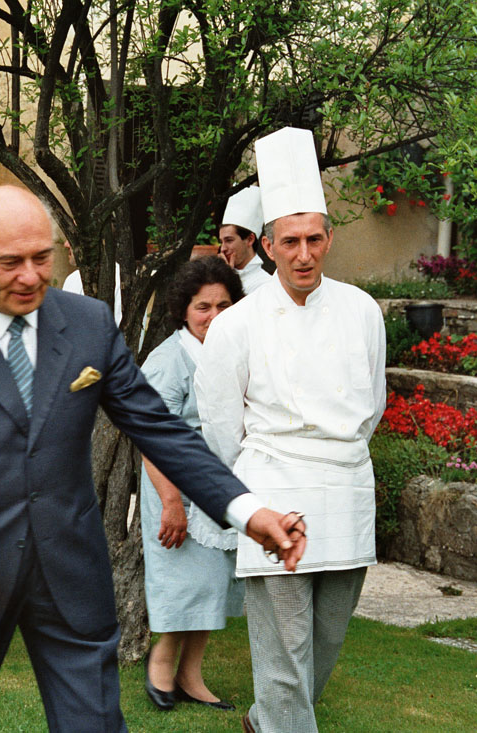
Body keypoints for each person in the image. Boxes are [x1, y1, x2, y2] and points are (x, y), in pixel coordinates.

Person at [0, 184, 307, 732]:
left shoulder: (87, 323)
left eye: (42, 258)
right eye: (11, 262)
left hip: (69, 570)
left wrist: (248, 511)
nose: (31, 276)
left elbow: (159, 429)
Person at [196, 127, 386, 733]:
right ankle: (277, 720)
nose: (303, 254)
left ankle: (264, 721)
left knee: (322, 649)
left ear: (329, 239)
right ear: (269, 245)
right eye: (290, 242)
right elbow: (221, 426)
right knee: (284, 660)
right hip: (273, 492)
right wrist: (250, 499)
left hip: (347, 491)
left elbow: (373, 408)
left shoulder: (363, 310)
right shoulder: (236, 325)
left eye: (313, 240)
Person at [139, 257, 245, 712]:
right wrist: (170, 502)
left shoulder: (232, 353)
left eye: (224, 305)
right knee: (183, 584)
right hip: (175, 489)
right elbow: (150, 438)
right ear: (184, 309)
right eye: (204, 307)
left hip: (218, 488)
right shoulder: (168, 360)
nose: (214, 316)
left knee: (211, 585)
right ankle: (160, 666)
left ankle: (190, 675)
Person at [218, 186, 271, 294]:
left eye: (229, 240)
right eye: (221, 242)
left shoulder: (265, 284)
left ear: (250, 239)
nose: (223, 248)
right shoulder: (220, 276)